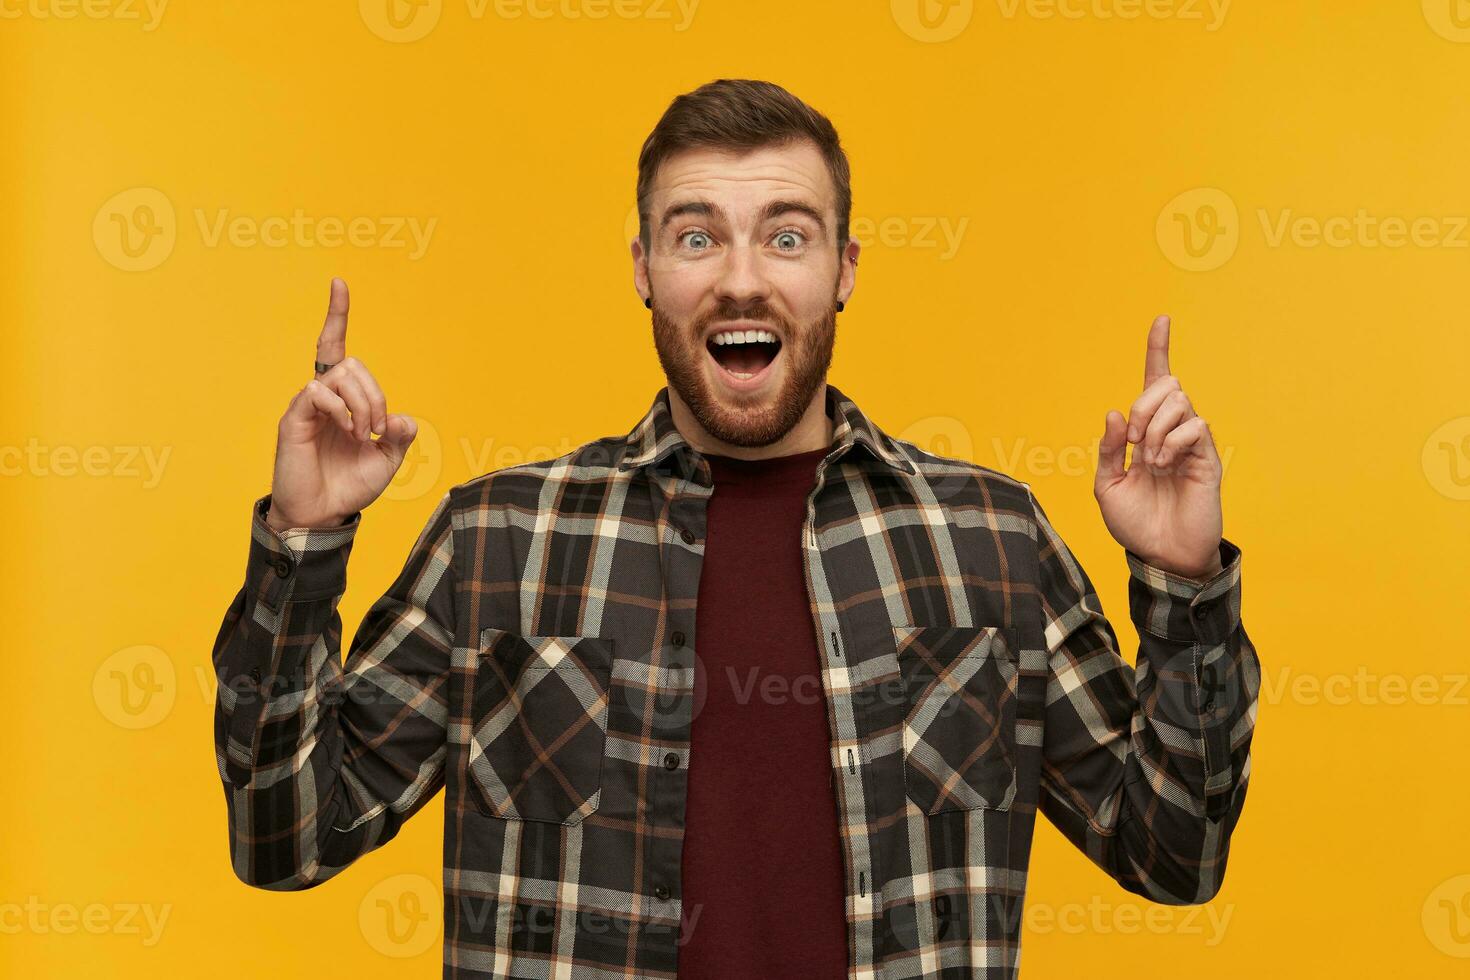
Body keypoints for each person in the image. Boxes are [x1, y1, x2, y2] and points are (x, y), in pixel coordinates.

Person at [212, 78, 1260, 979]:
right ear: (643, 268)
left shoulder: (989, 538)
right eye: (697, 234)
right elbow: (284, 834)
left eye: (787, 236)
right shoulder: (497, 538)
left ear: (844, 269)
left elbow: (1174, 852)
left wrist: (1183, 583)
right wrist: (303, 544)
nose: (743, 277)